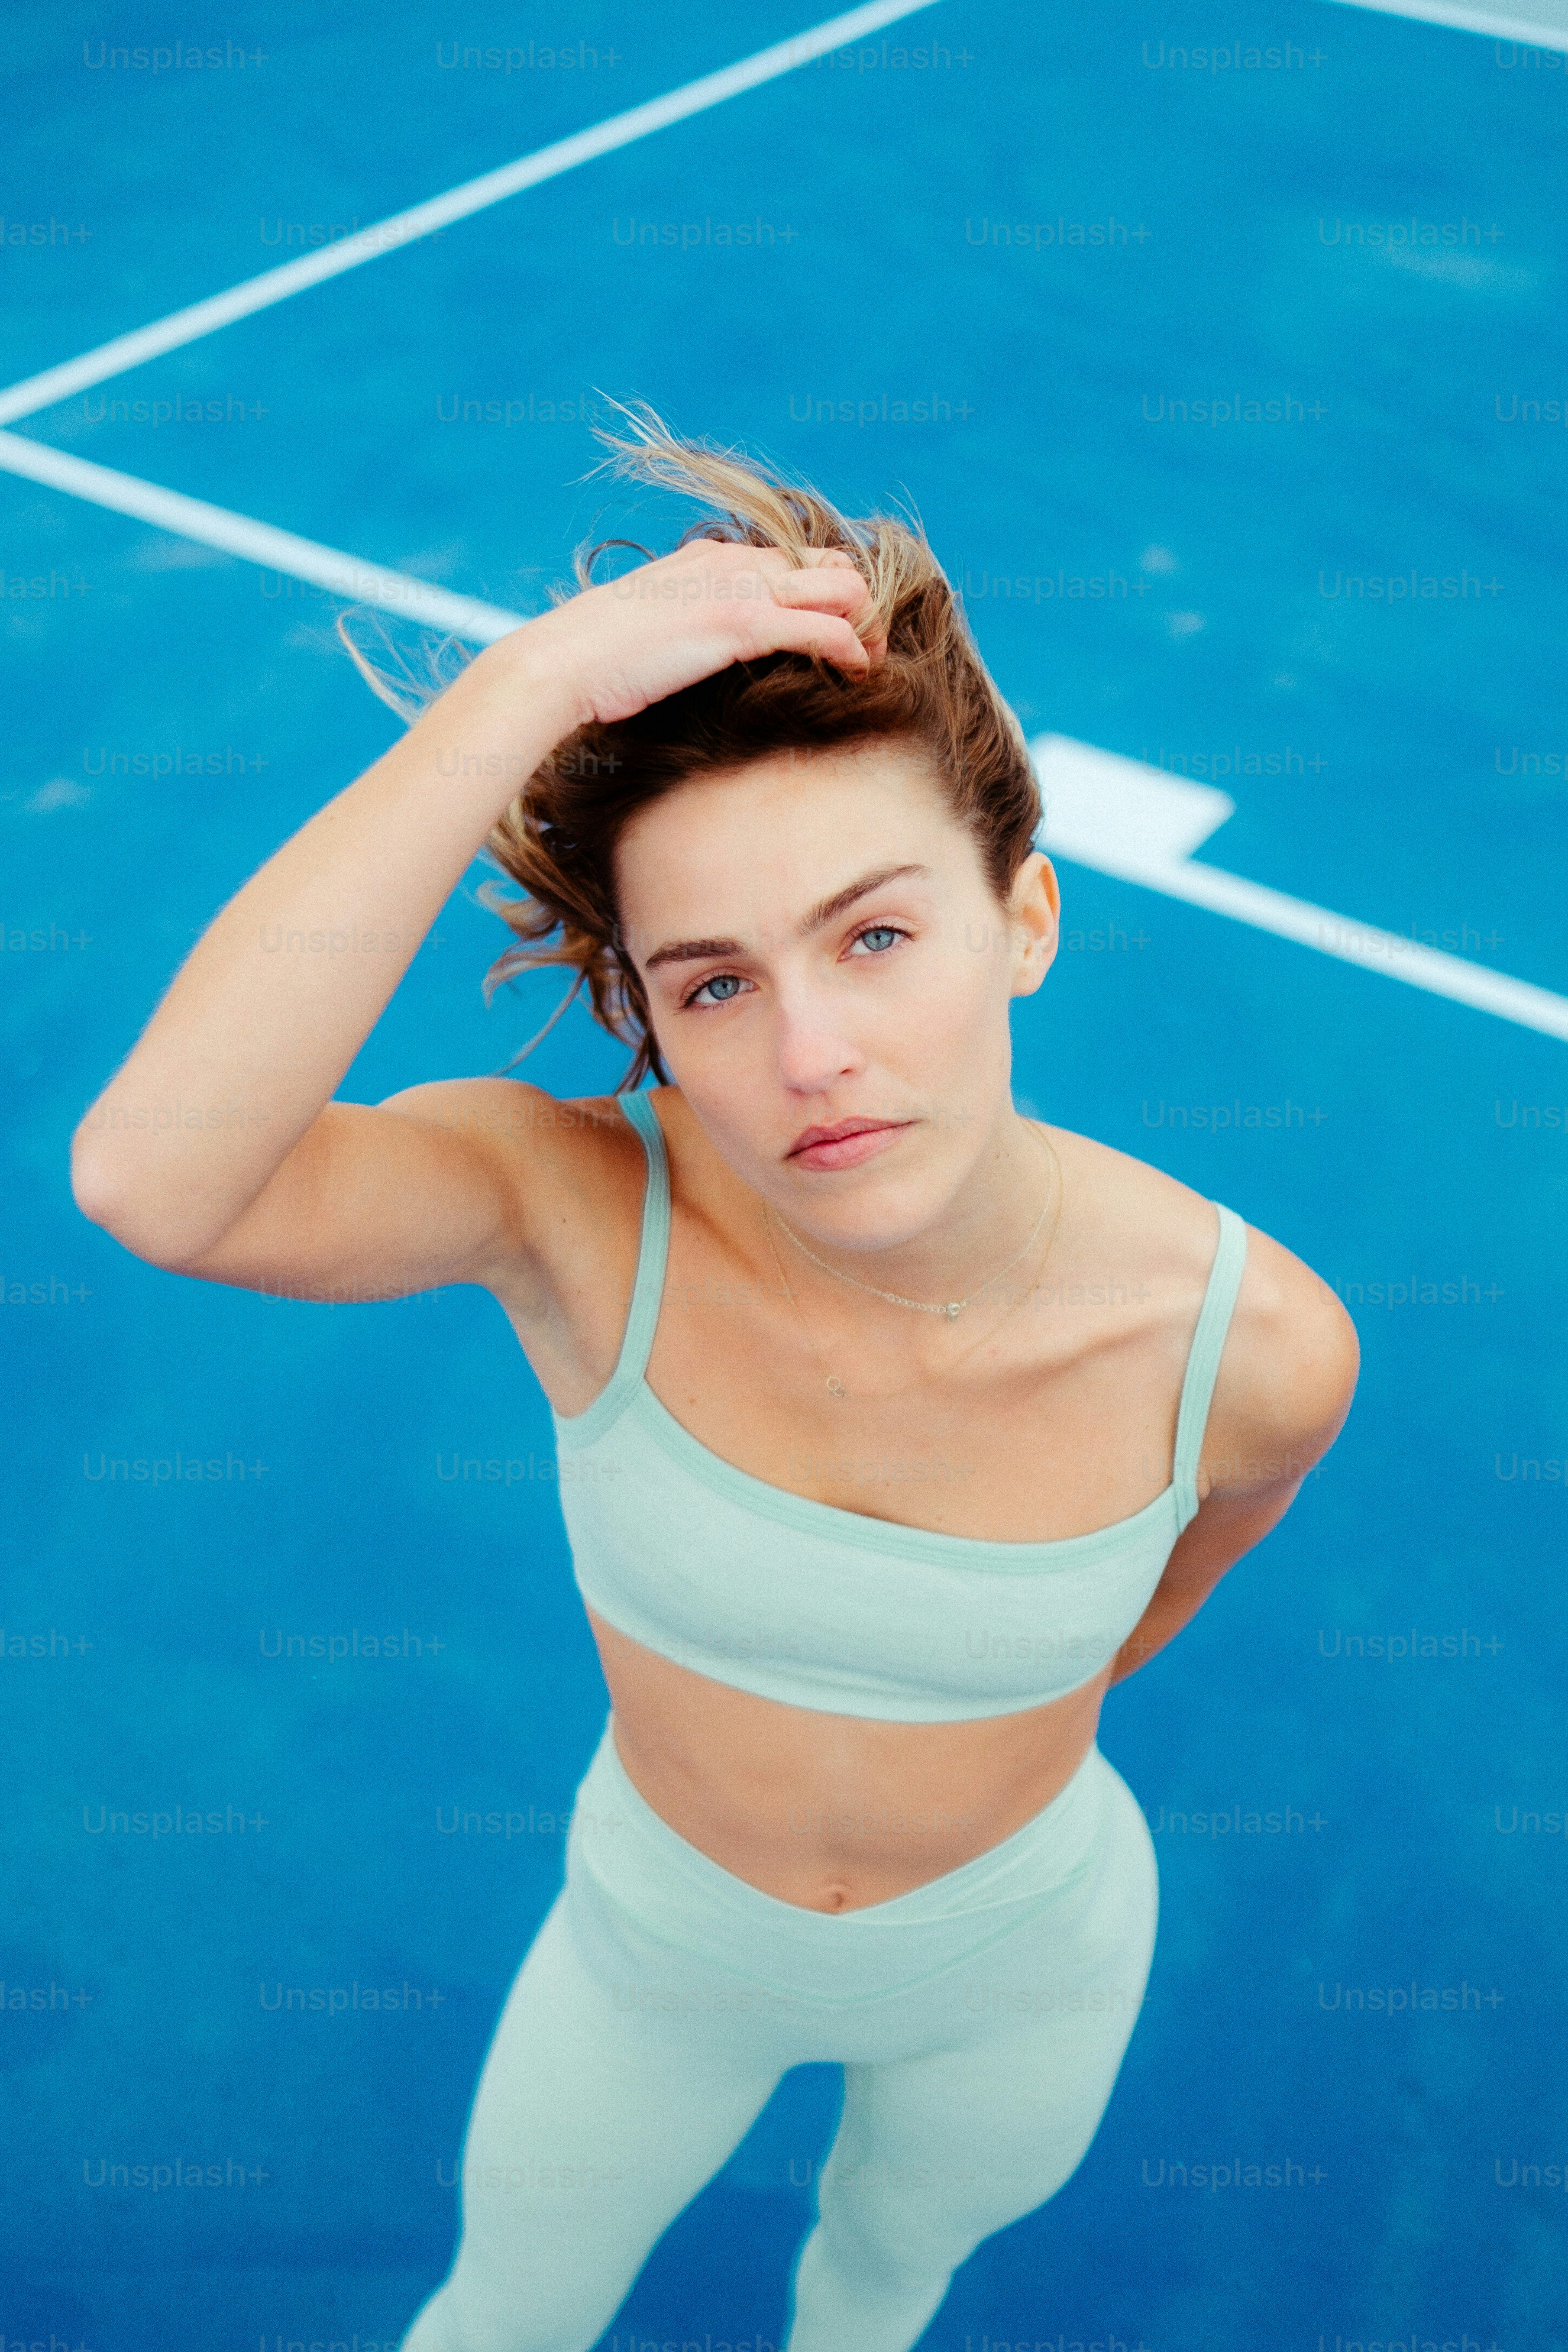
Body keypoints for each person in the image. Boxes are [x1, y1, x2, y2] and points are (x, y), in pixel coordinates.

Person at [71, 411, 1358, 2352]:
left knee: (878, 2285)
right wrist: (530, 690)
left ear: (1025, 920)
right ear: (652, 1022)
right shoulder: (574, 1213)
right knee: (500, 2316)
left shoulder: (1250, 1346)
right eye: (717, 982)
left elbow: (1157, 1600)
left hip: (1021, 1965)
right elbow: (154, 1181)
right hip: (651, 1957)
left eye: (879, 933)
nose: (815, 1050)